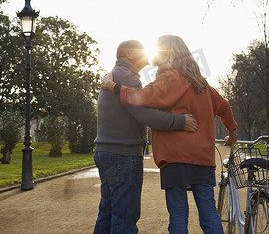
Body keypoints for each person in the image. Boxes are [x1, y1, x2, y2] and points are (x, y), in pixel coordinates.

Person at [102, 35, 238, 234]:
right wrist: (232, 133)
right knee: (208, 213)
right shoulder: (204, 86)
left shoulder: (170, 78)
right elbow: (224, 107)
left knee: (178, 215)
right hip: (202, 158)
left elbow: (143, 97)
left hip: (175, 157)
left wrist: (114, 87)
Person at [94, 40, 198, 234]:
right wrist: (180, 122)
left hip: (105, 152)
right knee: (125, 217)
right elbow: (145, 114)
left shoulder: (117, 75)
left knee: (107, 214)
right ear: (129, 54)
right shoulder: (128, 78)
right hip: (123, 156)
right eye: (141, 49)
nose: (146, 52)